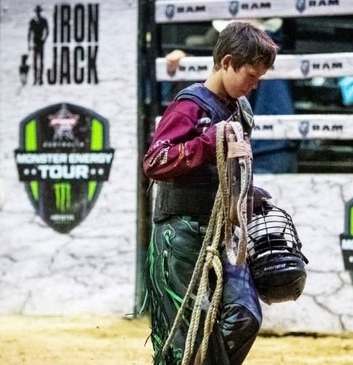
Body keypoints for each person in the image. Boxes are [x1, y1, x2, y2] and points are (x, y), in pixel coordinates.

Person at [142, 22, 278, 365]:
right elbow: (154, 162)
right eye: (250, 74)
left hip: (219, 235)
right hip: (180, 236)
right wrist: (207, 142)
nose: (254, 84)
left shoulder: (240, 110)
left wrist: (247, 195)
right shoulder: (189, 106)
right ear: (227, 62)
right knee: (183, 337)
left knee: (244, 314)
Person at [164, 18, 299, 173]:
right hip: (268, 150)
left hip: (263, 152)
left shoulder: (235, 97)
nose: (254, 85)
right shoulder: (189, 106)